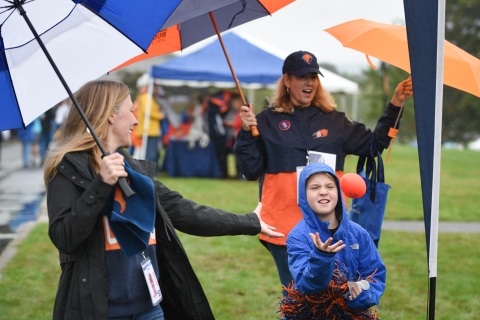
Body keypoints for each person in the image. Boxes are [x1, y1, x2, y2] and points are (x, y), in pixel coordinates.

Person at [43, 79, 283, 320]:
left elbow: (185, 212)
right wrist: (101, 184)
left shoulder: (131, 168)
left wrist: (250, 222)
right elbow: (65, 237)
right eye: (131, 111)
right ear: (110, 116)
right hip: (101, 311)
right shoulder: (68, 168)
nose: (136, 120)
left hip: (150, 309)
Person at [234, 50, 411, 292]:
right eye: (302, 76)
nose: (309, 82)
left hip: (330, 226)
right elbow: (249, 169)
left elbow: (373, 145)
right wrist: (246, 133)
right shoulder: (265, 121)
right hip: (283, 227)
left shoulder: (335, 121)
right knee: (299, 294)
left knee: (332, 294)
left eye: (314, 77)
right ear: (287, 80)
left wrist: (396, 103)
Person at [281, 163, 386, 319]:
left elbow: (375, 275)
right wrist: (322, 257)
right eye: (315, 188)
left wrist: (359, 291)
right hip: (310, 314)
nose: (323, 192)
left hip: (350, 313)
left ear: (338, 192)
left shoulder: (358, 234)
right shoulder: (298, 236)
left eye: (330, 186)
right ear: (303, 194)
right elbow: (308, 285)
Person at [136, 84, 165, 167]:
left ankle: (151, 170)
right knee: (150, 152)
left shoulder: (148, 97)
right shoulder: (146, 97)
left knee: (152, 151)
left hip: (151, 129)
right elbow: (147, 111)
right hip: (149, 130)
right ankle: (150, 170)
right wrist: (160, 116)